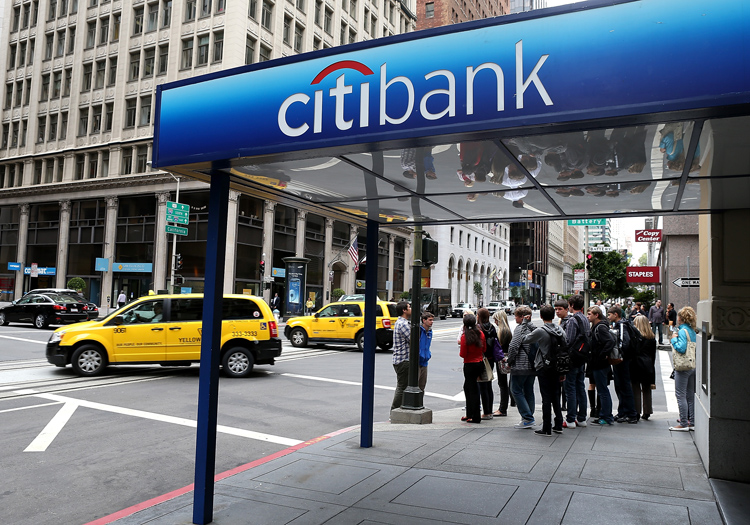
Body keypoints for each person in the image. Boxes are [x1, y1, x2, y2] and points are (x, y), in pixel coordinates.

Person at [522, 305, 567, 436]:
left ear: (541, 316)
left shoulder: (541, 331)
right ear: (553, 316)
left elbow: (525, 339)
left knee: (546, 398)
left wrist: (525, 323)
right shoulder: (560, 329)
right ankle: (558, 424)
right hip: (558, 367)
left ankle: (546, 426)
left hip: (544, 367)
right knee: (556, 396)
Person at [607, 306, 639, 424]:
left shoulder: (621, 325)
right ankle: (623, 412)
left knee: (624, 386)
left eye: (610, 315)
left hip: (622, 360)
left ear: (616, 314)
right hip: (624, 359)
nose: (608, 317)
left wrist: (619, 355)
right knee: (621, 386)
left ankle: (630, 413)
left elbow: (623, 342)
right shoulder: (624, 324)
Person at [563, 294, 591, 429]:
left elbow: (568, 340)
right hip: (582, 356)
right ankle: (582, 418)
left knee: (570, 388)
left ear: (572, 305)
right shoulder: (585, 319)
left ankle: (570, 419)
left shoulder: (573, 320)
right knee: (580, 387)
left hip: (573, 358)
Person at [508, 306, 537, 429]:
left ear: (522, 317)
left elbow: (514, 346)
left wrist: (509, 360)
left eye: (516, 316)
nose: (515, 318)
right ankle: (529, 415)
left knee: (516, 390)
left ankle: (527, 418)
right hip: (533, 364)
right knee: (528, 390)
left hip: (520, 365)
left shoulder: (520, 329)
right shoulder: (534, 328)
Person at [670, 306, 697, 432]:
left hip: (683, 366)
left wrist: (674, 339)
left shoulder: (681, 331)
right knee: (690, 395)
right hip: (692, 365)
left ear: (680, 318)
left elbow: (681, 348)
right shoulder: (692, 330)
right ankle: (692, 421)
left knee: (680, 395)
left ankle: (683, 422)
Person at [587, 306, 615, 425]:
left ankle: (606, 416)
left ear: (596, 315)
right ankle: (605, 415)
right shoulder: (598, 326)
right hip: (598, 363)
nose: (588, 316)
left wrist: (601, 355)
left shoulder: (600, 327)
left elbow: (610, 341)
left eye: (589, 314)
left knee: (603, 390)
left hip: (600, 364)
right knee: (602, 389)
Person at [459, 313, 485, 424]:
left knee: (472, 389)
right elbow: (484, 348)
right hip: (479, 362)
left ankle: (475, 416)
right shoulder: (481, 334)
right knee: (469, 387)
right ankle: (470, 414)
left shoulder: (465, 337)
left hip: (469, 364)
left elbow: (463, 354)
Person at [631, 315, 657, 420]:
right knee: (646, 389)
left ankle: (636, 411)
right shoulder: (652, 338)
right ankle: (647, 411)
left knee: (635, 388)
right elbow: (653, 355)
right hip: (648, 365)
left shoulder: (635, 337)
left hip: (636, 364)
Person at [477, 308, 498, 420]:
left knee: (482, 385)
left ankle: (486, 412)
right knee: (488, 385)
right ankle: (489, 410)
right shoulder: (492, 327)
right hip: (491, 358)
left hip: (482, 358)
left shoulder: (479, 328)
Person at [491, 310, 513, 417]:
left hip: (501, 359)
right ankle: (505, 406)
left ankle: (502, 408)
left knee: (503, 384)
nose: (494, 321)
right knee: (505, 384)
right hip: (505, 358)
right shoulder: (507, 330)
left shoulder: (501, 331)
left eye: (496, 319)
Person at [391, 301, 411, 411]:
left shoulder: (400, 322)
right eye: (409, 307)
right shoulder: (403, 324)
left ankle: (398, 409)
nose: (410, 309)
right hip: (403, 359)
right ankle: (394, 410)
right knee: (402, 386)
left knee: (402, 386)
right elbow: (413, 338)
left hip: (400, 359)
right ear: (404, 310)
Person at [553, 299, 571, 412]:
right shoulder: (562, 321)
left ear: (566, 309)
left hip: (564, 357)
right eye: (556, 309)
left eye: (560, 309)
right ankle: (563, 403)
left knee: (565, 384)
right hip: (561, 357)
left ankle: (565, 404)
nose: (557, 311)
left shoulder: (568, 322)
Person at [418, 311, 434, 406]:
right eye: (430, 320)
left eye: (432, 320)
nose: (432, 322)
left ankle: (420, 404)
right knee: (415, 385)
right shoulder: (419, 331)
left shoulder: (430, 332)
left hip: (425, 362)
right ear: (424, 320)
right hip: (418, 361)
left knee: (422, 386)